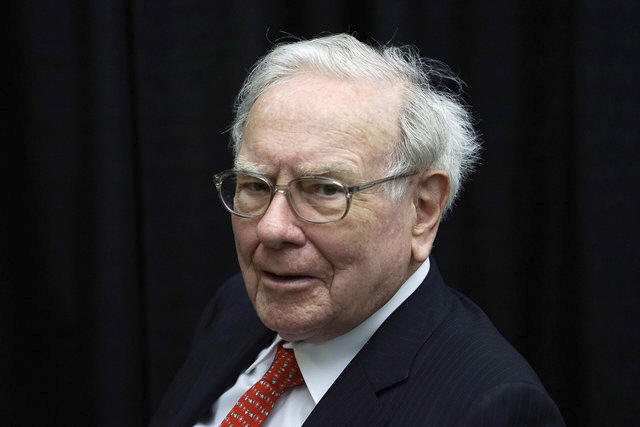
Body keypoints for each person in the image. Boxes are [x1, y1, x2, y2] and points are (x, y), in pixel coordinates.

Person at [150, 34, 564, 426]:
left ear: (422, 209)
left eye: (324, 190)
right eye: (256, 185)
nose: (272, 228)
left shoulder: (491, 409)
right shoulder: (236, 307)